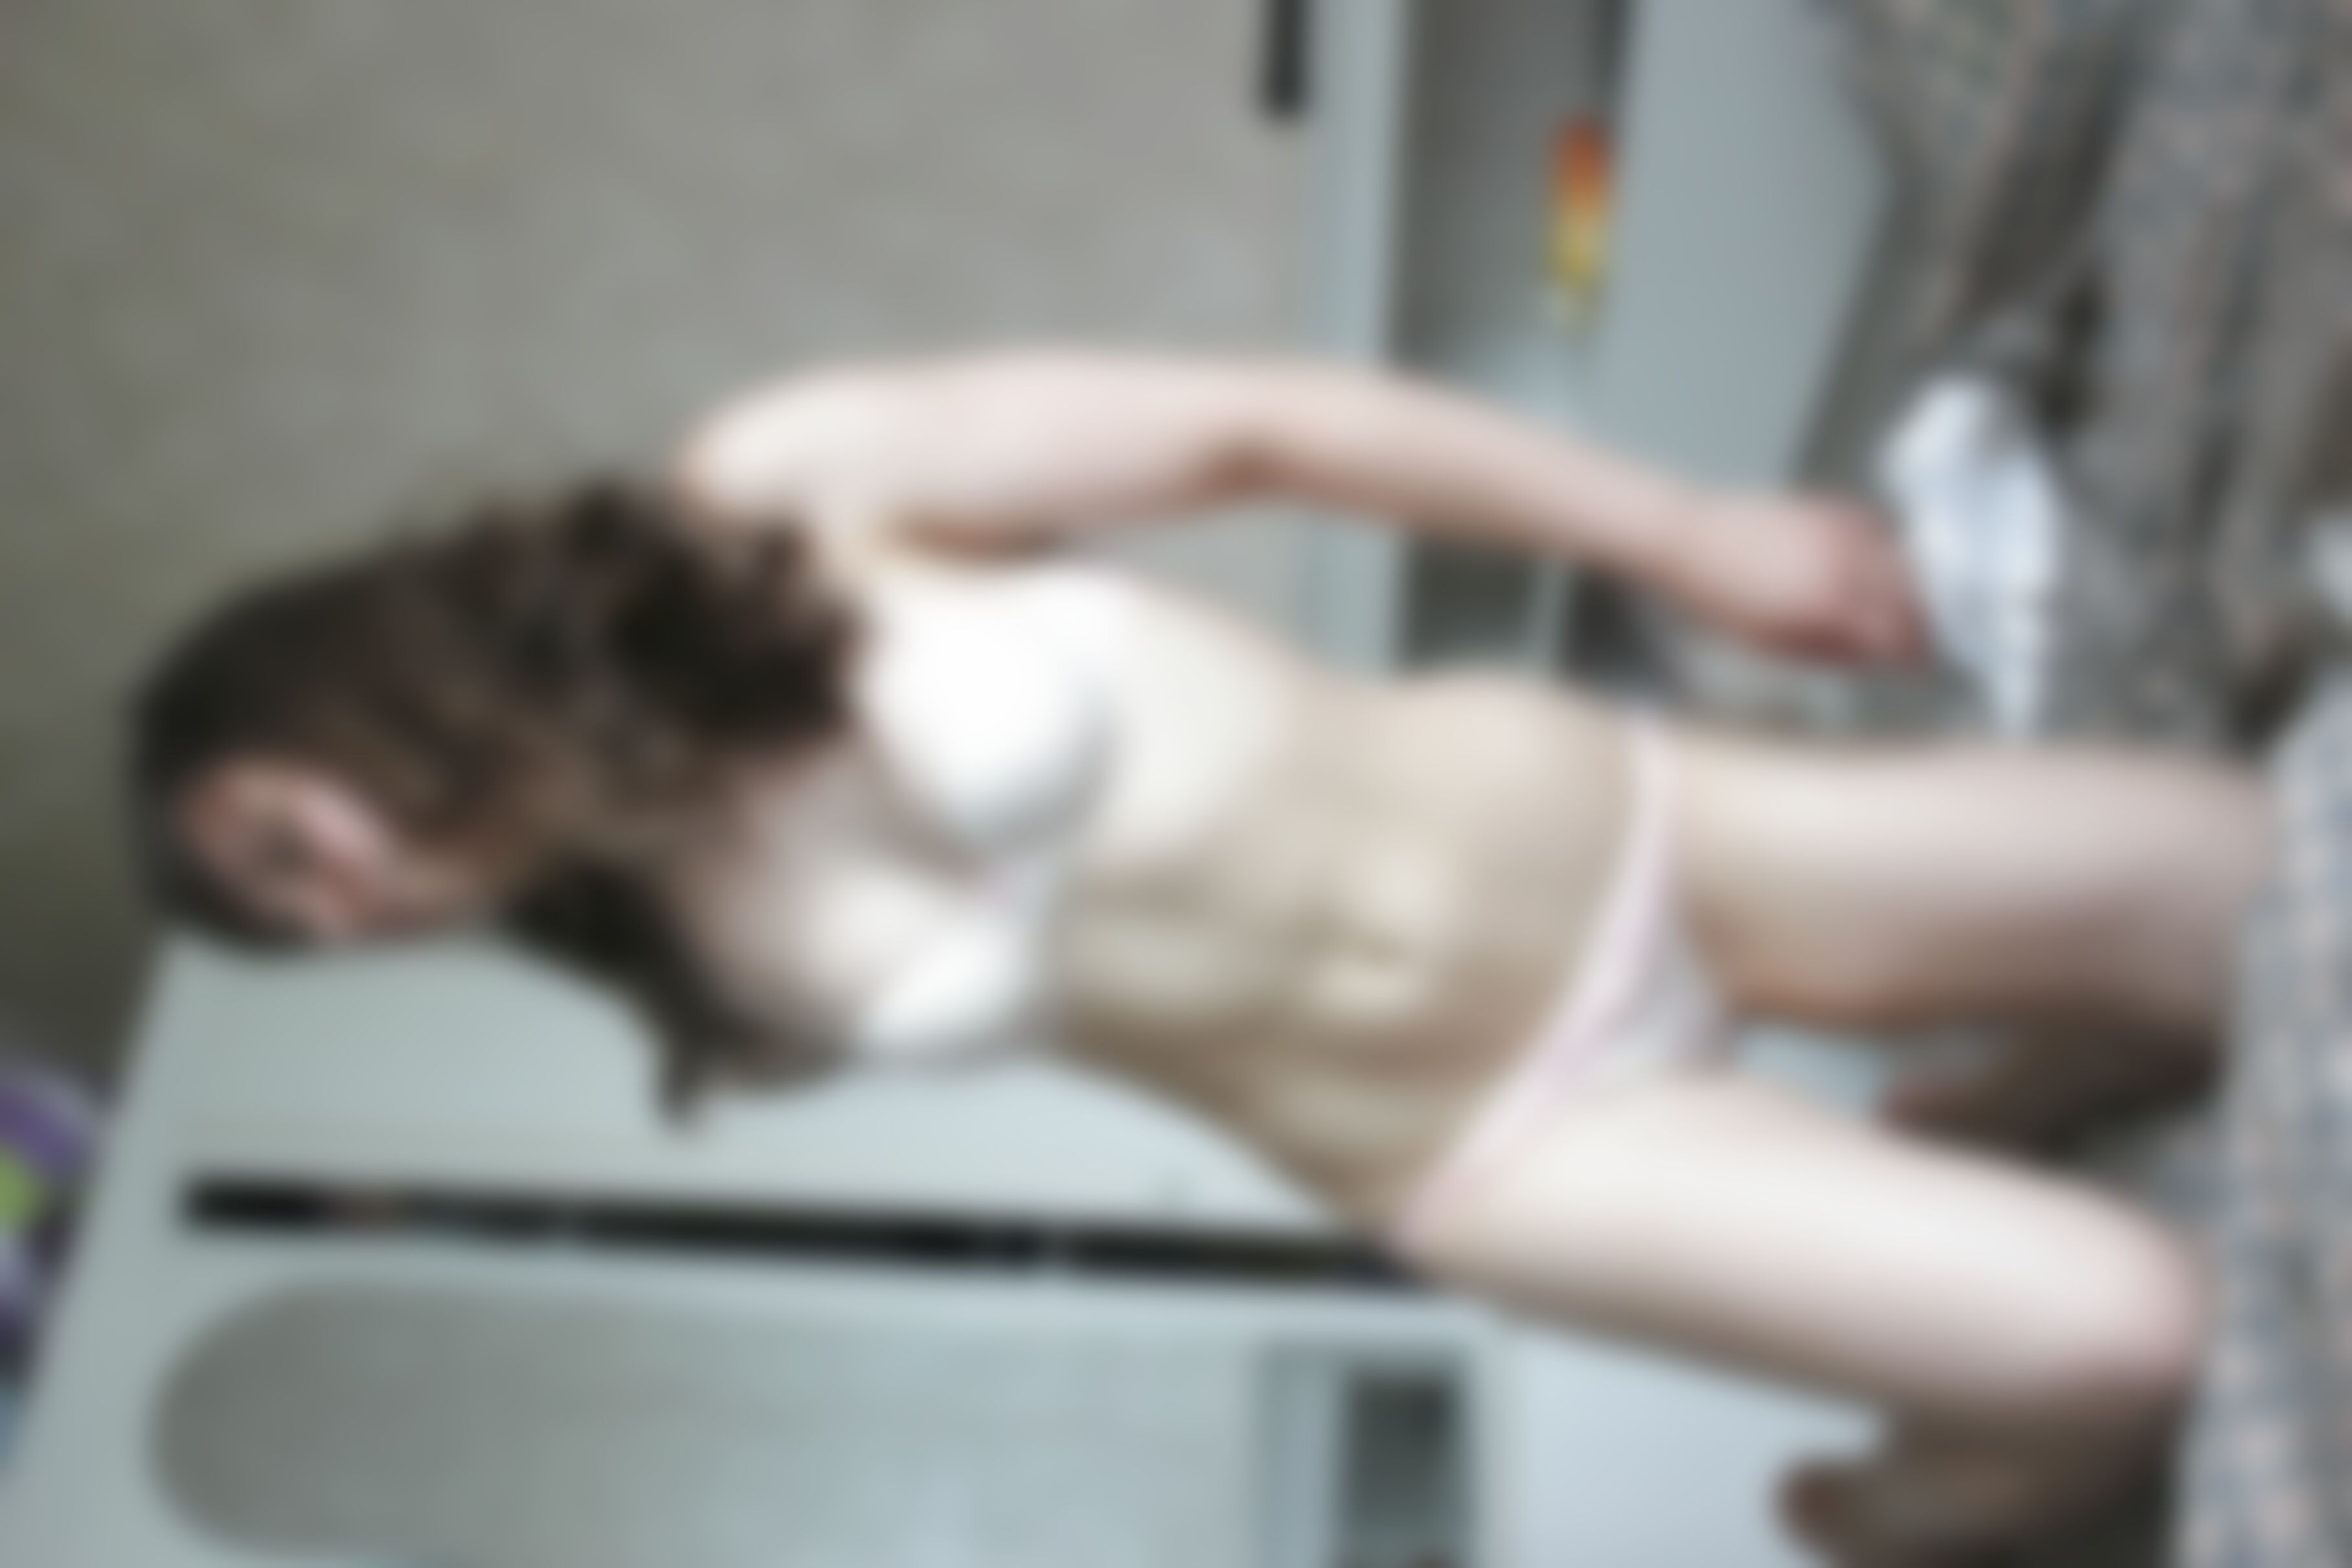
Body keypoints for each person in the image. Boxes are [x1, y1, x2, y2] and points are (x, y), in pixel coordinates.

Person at [131, 352, 2264, 1567]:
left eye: (281, 840)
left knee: (2273, 886)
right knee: (2133, 1340)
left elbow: (1262, 428)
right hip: (1524, 1144)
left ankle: (2030, 1078)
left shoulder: (764, 494)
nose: (343, 904)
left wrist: (1689, 535)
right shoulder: (690, 952)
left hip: (1658, 836)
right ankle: (1893, 1502)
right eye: (299, 929)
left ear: (330, 679)